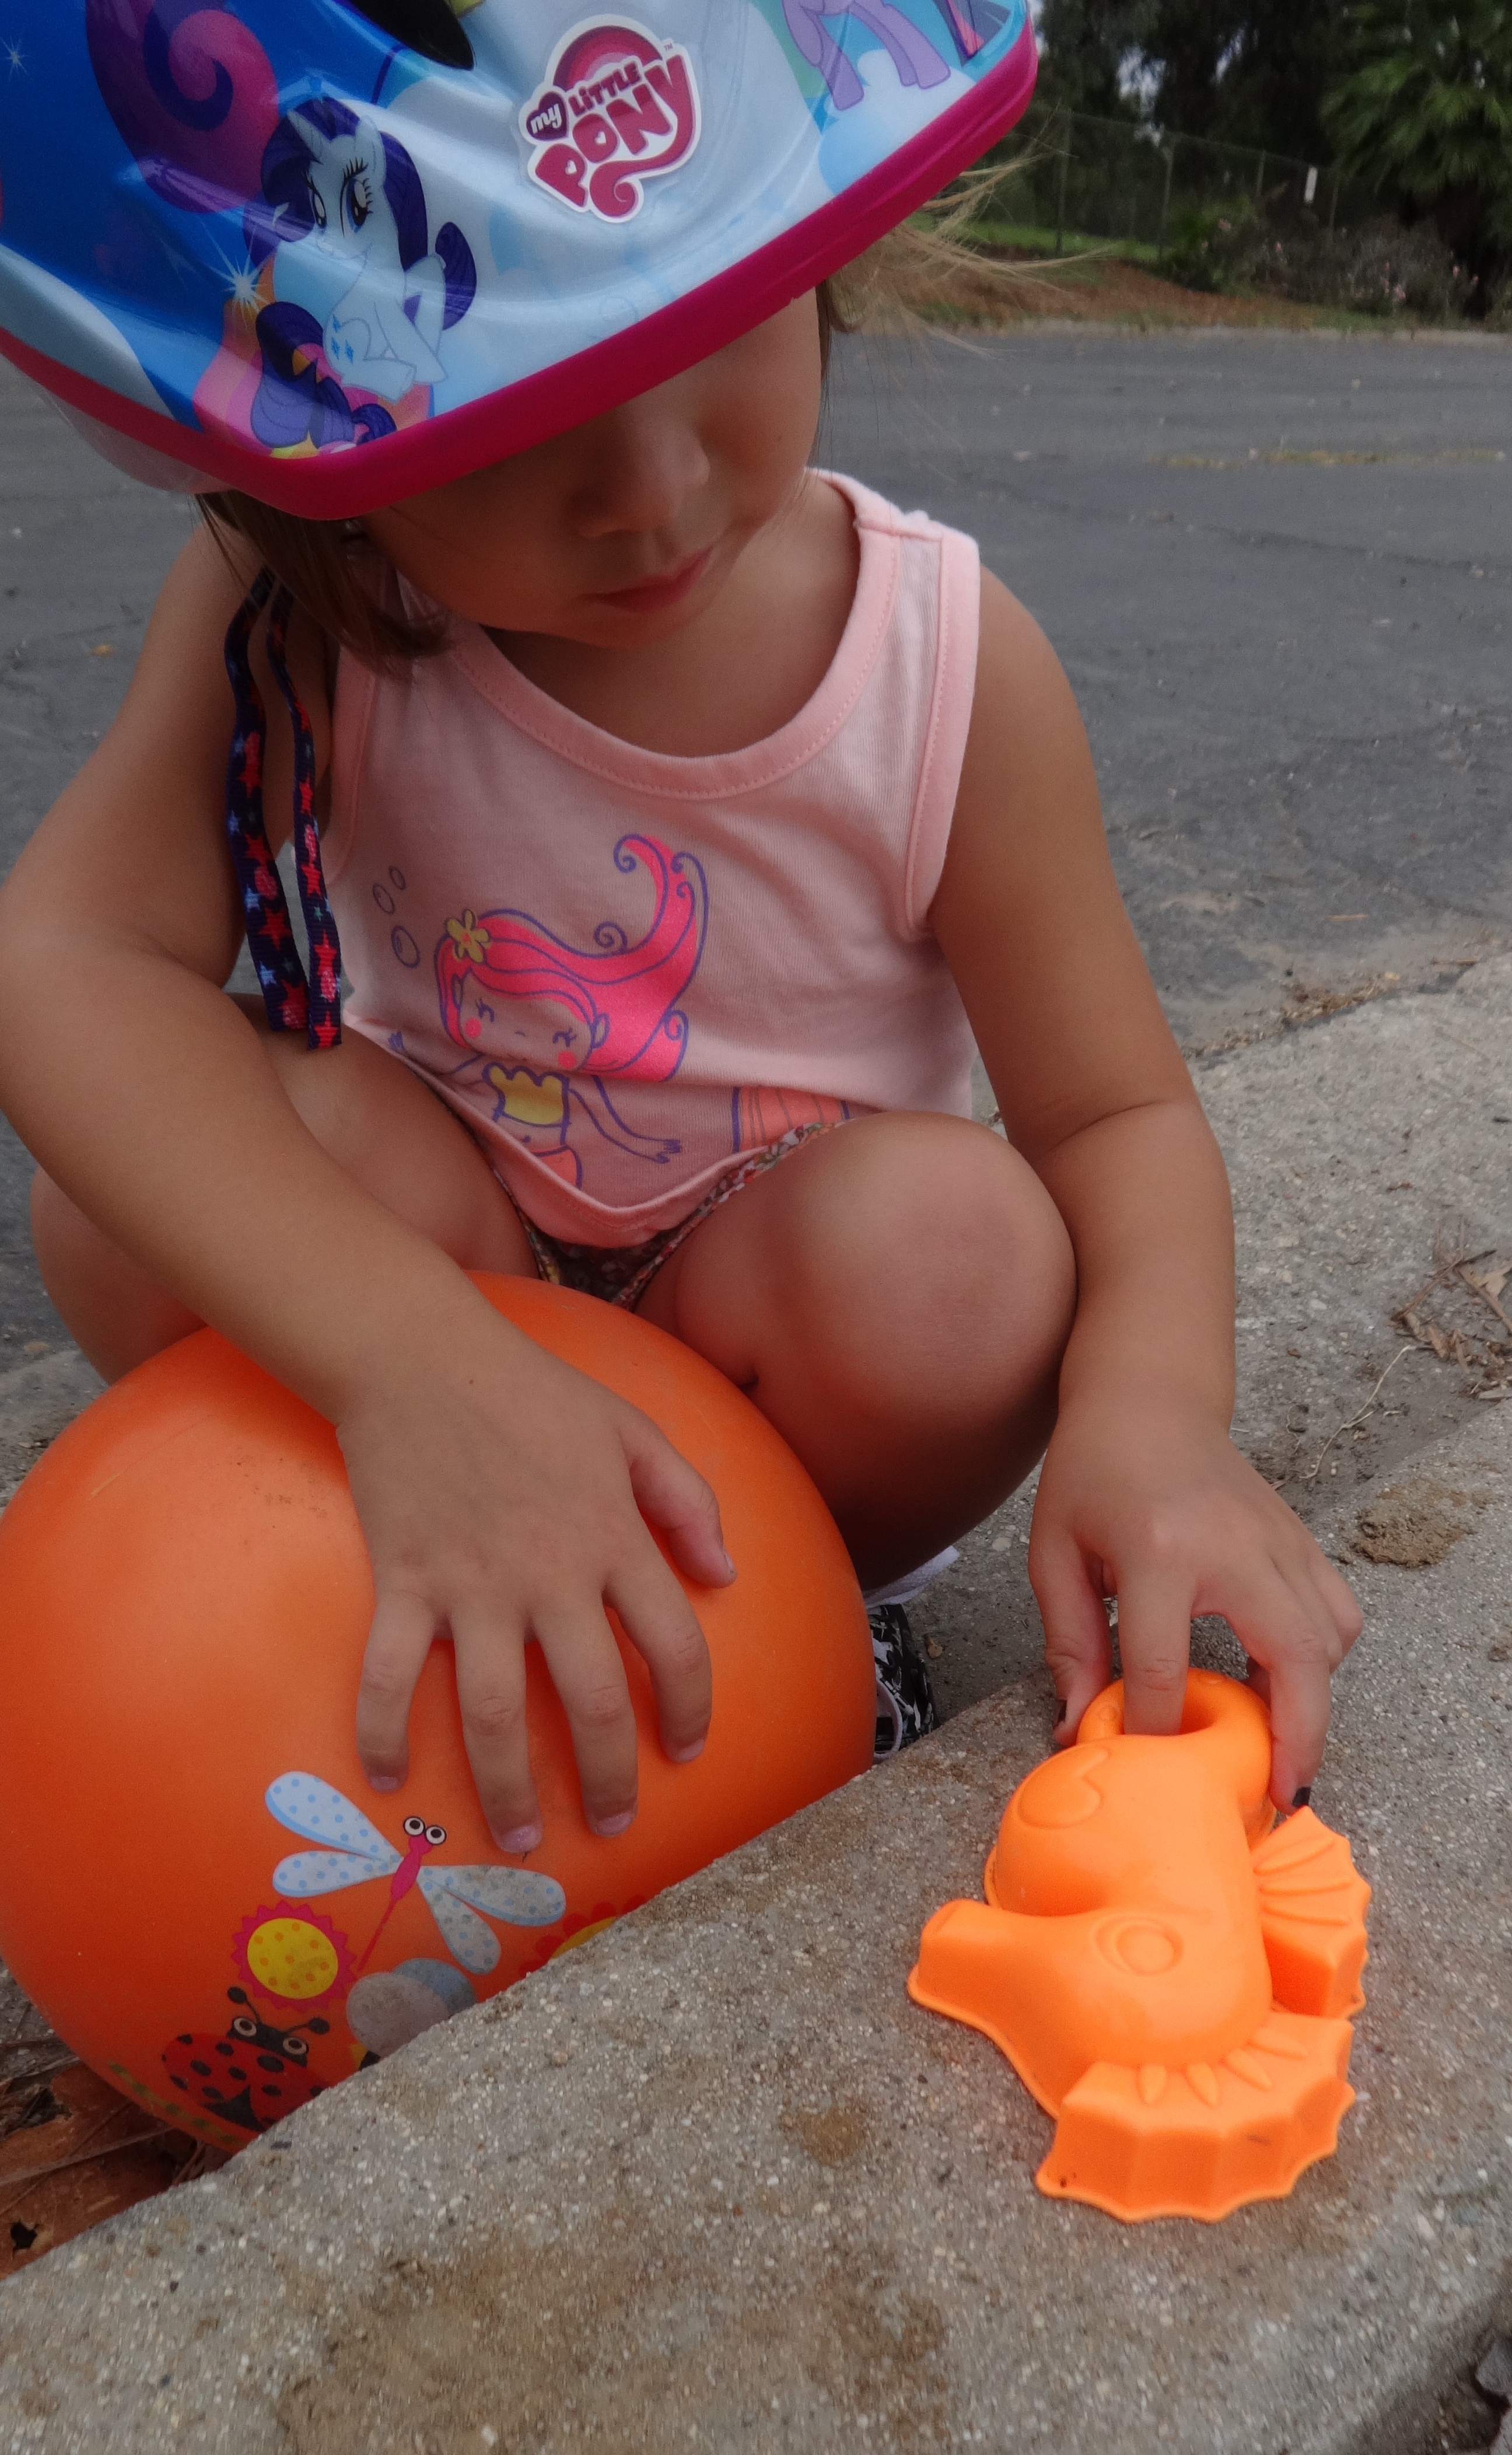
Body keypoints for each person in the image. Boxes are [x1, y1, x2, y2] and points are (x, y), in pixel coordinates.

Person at [0, 1, 1359, 1866]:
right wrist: (410, 1362)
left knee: (959, 1253)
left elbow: (1116, 1120)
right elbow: (70, 962)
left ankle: (789, 1612)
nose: (647, 495)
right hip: (451, 1263)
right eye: (502, 413)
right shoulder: (300, 610)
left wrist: (1161, 1416)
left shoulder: (940, 663)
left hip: (777, 1357)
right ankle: (401, 1512)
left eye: (707, 315)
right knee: (120, 1191)